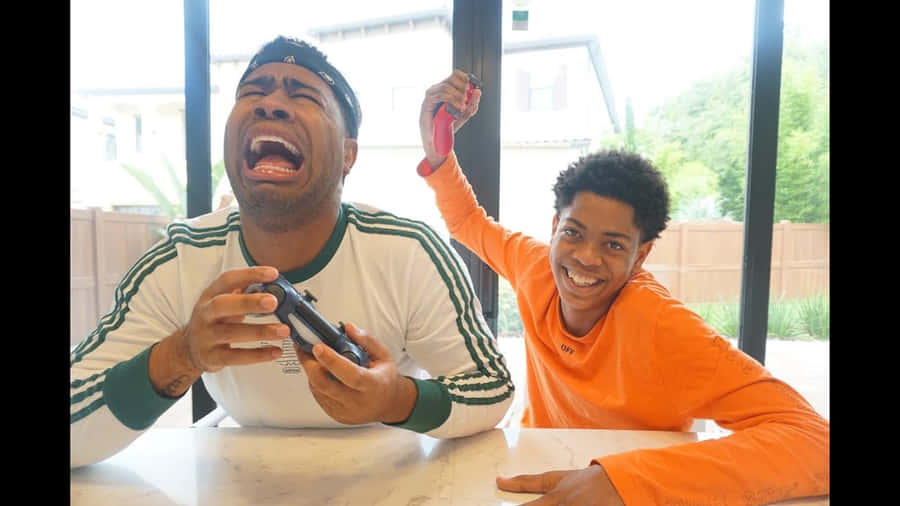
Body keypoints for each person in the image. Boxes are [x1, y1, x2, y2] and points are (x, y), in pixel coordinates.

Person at [69, 38, 514, 469]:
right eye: (253, 92)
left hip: (387, 475)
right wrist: (180, 356)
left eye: (304, 96)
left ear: (348, 155)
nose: (270, 104)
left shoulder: (410, 251)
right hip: (239, 475)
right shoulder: (181, 259)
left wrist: (396, 399)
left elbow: (492, 387)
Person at [415, 70, 829, 505]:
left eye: (613, 244)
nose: (586, 258)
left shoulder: (665, 328)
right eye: (573, 233)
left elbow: (815, 442)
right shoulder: (534, 265)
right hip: (533, 465)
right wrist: (437, 146)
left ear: (642, 255)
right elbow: (468, 222)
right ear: (555, 228)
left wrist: (625, 480)